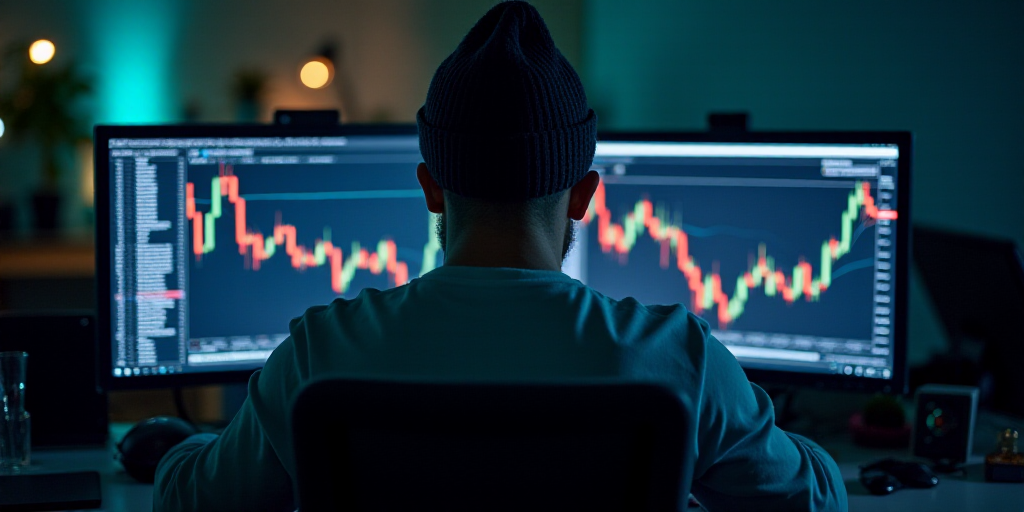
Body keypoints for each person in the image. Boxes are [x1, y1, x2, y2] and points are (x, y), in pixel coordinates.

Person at [154, 2, 848, 510]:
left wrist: (178, 446)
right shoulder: (679, 358)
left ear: (431, 187)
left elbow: (195, 501)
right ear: (584, 197)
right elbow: (812, 501)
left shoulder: (320, 351)